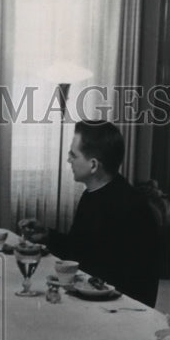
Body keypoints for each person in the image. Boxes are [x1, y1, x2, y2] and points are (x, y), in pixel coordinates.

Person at [19, 120, 160, 306]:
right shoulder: (92, 194)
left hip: (119, 308)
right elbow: (80, 250)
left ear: (93, 165)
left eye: (73, 155)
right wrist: (47, 235)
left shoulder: (130, 206)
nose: (68, 160)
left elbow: (127, 282)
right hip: (94, 298)